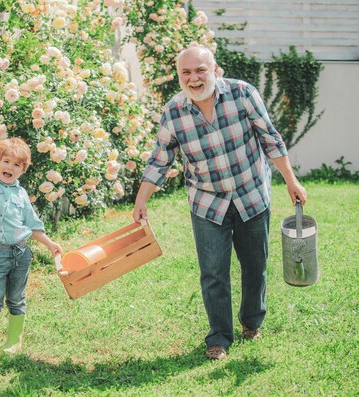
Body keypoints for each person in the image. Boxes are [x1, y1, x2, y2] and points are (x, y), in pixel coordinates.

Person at [132, 45, 307, 360]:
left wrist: (290, 180)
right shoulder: (174, 111)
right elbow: (160, 159)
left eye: (200, 70)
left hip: (251, 194)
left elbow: (270, 138)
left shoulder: (242, 94)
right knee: (213, 272)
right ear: (179, 76)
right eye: (186, 72)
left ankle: (252, 322)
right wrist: (142, 199)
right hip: (207, 203)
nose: (194, 78)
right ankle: (219, 337)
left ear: (215, 70)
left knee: (255, 266)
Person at [0, 106, 63, 360]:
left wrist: (50, 243)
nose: (10, 167)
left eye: (17, 164)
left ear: (23, 170)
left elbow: (32, 225)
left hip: (21, 254)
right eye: (6, 161)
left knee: (16, 299)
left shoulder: (21, 194)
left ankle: (14, 342)